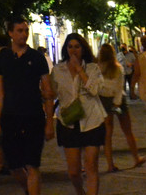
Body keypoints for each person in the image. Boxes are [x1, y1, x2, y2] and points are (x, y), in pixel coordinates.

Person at [0, 18, 53, 195]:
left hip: (33, 116)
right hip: (10, 117)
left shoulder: (37, 57)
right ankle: (30, 189)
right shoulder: (3, 58)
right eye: (19, 30)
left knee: (32, 163)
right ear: (10, 33)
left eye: (25, 30)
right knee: (13, 165)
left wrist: (49, 122)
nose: (24, 34)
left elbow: (47, 91)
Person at [51, 33, 112, 195]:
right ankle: (80, 191)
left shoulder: (92, 68)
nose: (73, 50)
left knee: (91, 166)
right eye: (70, 47)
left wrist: (79, 70)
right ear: (65, 49)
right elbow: (51, 94)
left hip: (91, 120)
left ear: (83, 49)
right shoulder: (58, 70)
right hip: (68, 122)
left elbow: (94, 90)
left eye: (77, 47)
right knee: (73, 171)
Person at [97, 42, 146, 172]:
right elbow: (120, 87)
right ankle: (136, 158)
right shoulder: (117, 67)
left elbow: (97, 87)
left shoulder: (97, 68)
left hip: (104, 100)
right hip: (118, 100)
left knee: (107, 134)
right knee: (127, 130)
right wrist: (117, 103)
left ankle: (110, 164)